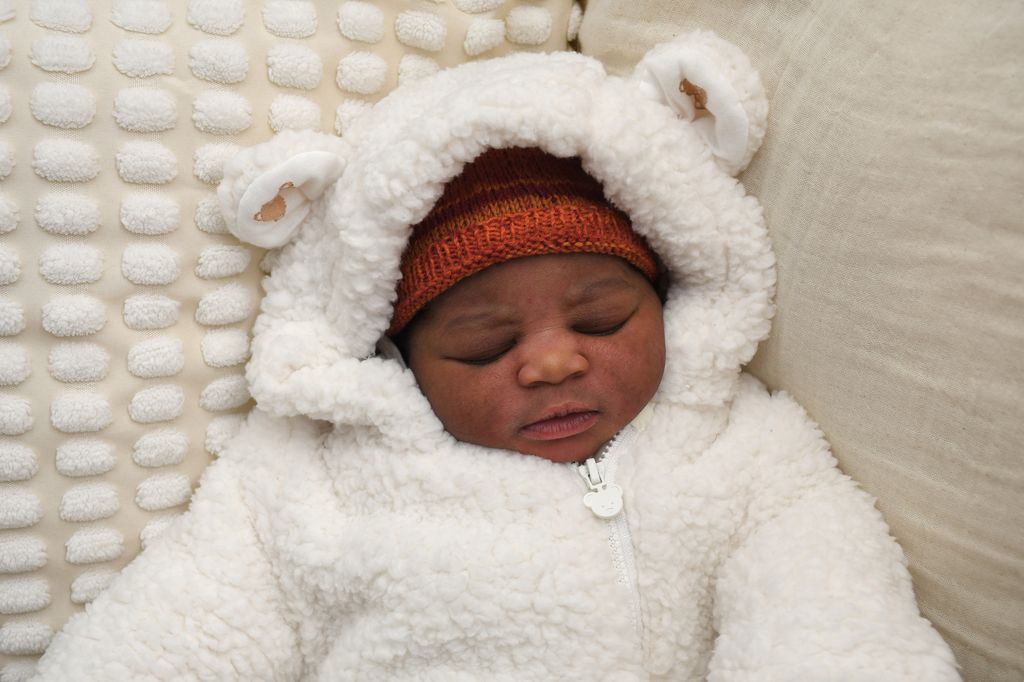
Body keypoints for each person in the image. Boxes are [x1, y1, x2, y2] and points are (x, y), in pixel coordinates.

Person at [32, 32, 960, 680]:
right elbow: (177, 634)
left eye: (602, 319)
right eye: (484, 345)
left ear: (667, 297)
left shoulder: (748, 457)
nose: (552, 364)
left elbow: (834, 626)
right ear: (397, 355)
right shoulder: (305, 481)